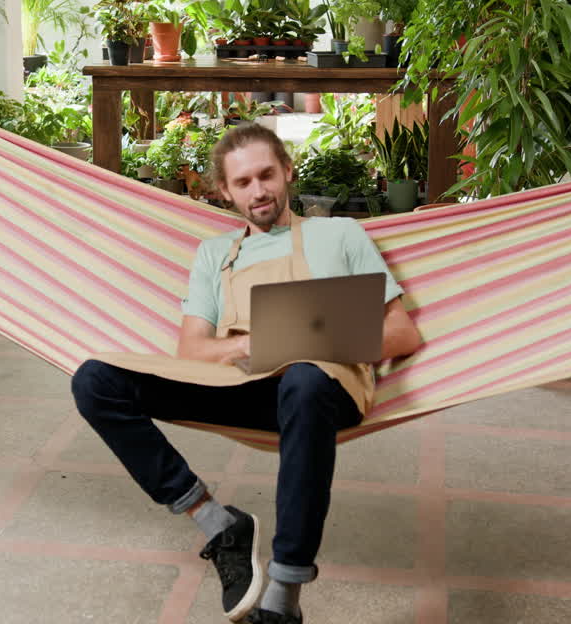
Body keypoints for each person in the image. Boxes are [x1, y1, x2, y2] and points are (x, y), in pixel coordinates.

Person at [71, 123, 423, 623]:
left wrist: (304, 343)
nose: (258, 191)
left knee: (303, 378)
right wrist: (250, 345)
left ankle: (284, 597)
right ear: (225, 191)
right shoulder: (215, 255)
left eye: (266, 175)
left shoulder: (340, 235)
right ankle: (218, 524)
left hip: (323, 388)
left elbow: (402, 334)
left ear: (288, 172)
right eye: (243, 182)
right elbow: (192, 351)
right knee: (95, 380)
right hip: (244, 387)